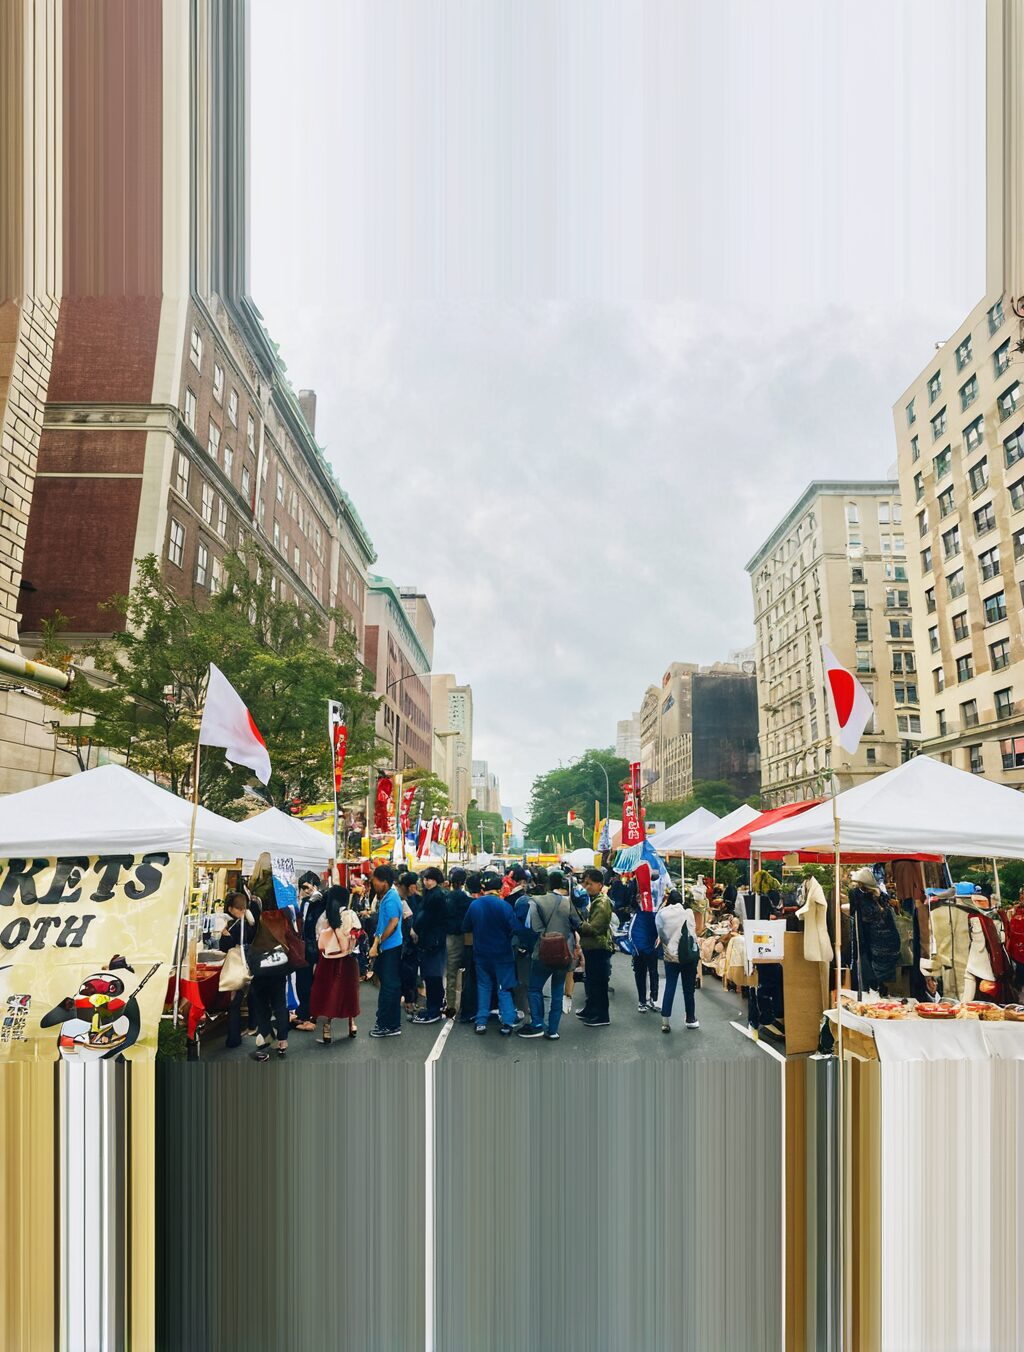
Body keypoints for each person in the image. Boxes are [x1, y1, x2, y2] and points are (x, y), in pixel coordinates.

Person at [518, 870, 581, 1040]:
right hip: (564, 953)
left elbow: (533, 927)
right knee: (557, 991)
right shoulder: (567, 903)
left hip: (543, 952)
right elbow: (578, 924)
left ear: (545, 884)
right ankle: (553, 1030)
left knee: (534, 988)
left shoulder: (535, 901)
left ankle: (537, 1023)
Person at [463, 871, 519, 1035]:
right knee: (504, 988)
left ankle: (481, 1022)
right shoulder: (505, 906)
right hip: (503, 953)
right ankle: (507, 1022)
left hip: (481, 953)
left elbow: (465, 927)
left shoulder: (475, 905)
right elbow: (514, 928)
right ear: (501, 887)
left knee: (484, 986)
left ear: (483, 888)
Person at [309, 885, 361, 1043]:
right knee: (349, 991)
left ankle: (327, 1027)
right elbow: (357, 933)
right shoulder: (350, 914)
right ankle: (351, 1023)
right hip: (347, 958)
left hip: (327, 958)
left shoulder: (326, 916)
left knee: (329, 992)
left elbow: (319, 937)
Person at [368, 865, 404, 1037]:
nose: (373, 883)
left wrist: (377, 944)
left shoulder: (390, 898)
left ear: (383, 881)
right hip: (389, 947)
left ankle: (387, 1025)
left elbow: (393, 922)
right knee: (390, 986)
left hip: (390, 947)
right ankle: (390, 1023)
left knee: (389, 987)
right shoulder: (389, 896)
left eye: (374, 880)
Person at [656, 889, 700, 1031]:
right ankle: (690, 1019)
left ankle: (665, 1022)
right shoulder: (688, 913)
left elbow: (660, 934)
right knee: (688, 989)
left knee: (670, 986)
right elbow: (693, 933)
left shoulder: (662, 914)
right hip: (687, 956)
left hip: (670, 957)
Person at [218, 891, 257, 1048]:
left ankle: (233, 1038)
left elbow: (224, 947)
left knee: (235, 1001)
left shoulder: (233, 925)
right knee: (252, 995)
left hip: (238, 965)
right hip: (252, 962)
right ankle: (253, 1026)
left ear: (233, 909)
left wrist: (225, 936)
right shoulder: (252, 921)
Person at [411, 867, 449, 1024]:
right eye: (425, 879)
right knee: (432, 975)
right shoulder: (436, 894)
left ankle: (434, 1009)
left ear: (436, 880)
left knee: (432, 975)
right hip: (434, 940)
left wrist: (415, 928)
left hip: (432, 941)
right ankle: (436, 1006)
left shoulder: (436, 896)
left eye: (429, 879)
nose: (426, 882)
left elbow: (424, 916)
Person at [577, 867, 613, 1027]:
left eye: (589, 884)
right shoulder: (592, 900)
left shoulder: (602, 902)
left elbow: (595, 928)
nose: (586, 887)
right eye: (585, 884)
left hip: (599, 948)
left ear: (600, 884)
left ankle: (601, 1016)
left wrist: (578, 924)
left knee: (599, 983)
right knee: (591, 981)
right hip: (591, 947)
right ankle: (591, 1009)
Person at [294, 876, 325, 1032]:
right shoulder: (315, 901)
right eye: (303, 887)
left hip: (310, 947)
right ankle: (307, 1013)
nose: (305, 890)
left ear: (315, 886)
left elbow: (308, 926)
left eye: (308, 887)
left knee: (306, 981)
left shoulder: (314, 902)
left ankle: (307, 1016)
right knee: (307, 981)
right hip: (312, 947)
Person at [507, 865, 536, 1014]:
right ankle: (528, 1005)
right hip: (529, 942)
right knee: (527, 976)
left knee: (519, 975)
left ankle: (521, 1006)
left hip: (517, 942)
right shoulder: (528, 899)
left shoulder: (511, 898)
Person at [443, 867, 471, 1016]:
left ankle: (450, 1004)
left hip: (447, 937)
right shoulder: (465, 899)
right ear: (463, 882)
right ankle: (462, 1004)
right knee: (465, 971)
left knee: (451, 973)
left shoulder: (446, 896)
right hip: (462, 937)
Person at [397, 871, 422, 1018]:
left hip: (410, 943)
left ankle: (411, 1000)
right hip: (405, 943)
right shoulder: (400, 899)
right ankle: (408, 1001)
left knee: (411, 972)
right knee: (407, 972)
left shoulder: (413, 899)